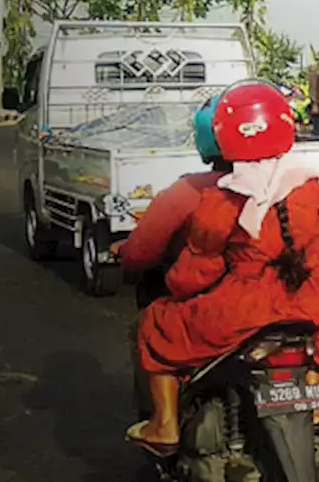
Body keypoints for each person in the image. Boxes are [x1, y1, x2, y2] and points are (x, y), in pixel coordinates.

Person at [124, 80, 319, 456]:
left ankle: (164, 425)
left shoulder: (220, 198)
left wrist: (178, 286)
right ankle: (312, 402)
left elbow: (196, 273)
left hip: (244, 307)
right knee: (311, 338)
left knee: (155, 324)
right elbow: (310, 253)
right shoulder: (306, 187)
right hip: (305, 298)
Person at [117, 93, 231, 419]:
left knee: (148, 329)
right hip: (280, 301)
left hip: (210, 305)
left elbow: (141, 252)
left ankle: (163, 422)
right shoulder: (286, 187)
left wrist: (125, 258)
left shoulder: (189, 191)